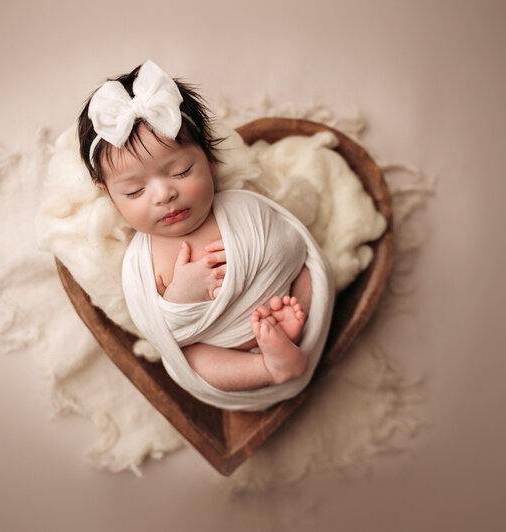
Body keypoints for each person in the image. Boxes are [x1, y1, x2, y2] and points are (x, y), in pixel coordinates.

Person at [76, 61, 332, 408]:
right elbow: (162, 330)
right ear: (107, 193)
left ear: (210, 158)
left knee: (310, 272)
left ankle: (284, 329)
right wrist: (182, 295)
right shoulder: (140, 261)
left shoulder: (241, 206)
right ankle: (268, 366)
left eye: (181, 171)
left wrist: (266, 261)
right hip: (220, 347)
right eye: (135, 191)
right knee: (194, 361)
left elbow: (291, 246)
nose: (163, 195)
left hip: (282, 302)